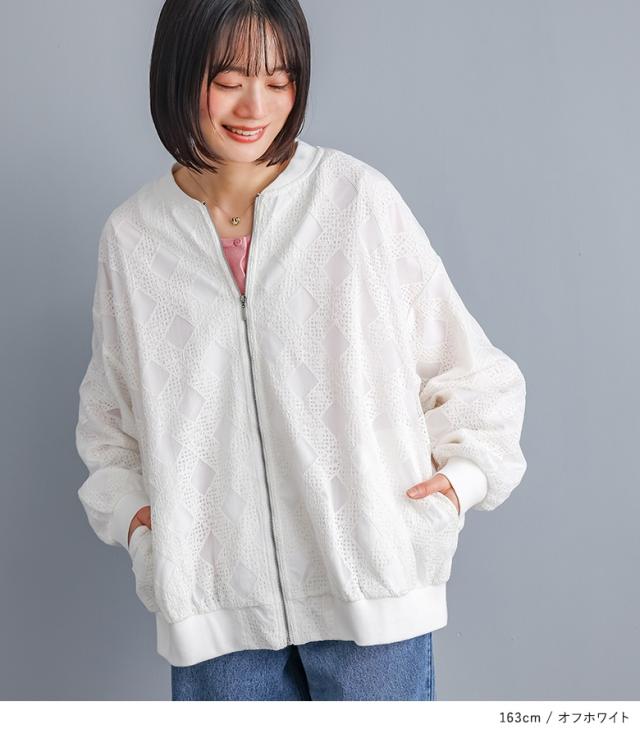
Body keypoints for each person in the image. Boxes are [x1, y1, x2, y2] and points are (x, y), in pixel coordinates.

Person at [75, 0, 527, 701]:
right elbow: (110, 422)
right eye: (228, 80)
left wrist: (455, 490)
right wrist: (145, 531)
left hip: (373, 591)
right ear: (178, 73)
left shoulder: (354, 201)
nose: (255, 106)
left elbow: (470, 368)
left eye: (279, 80)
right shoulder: (133, 238)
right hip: (216, 612)